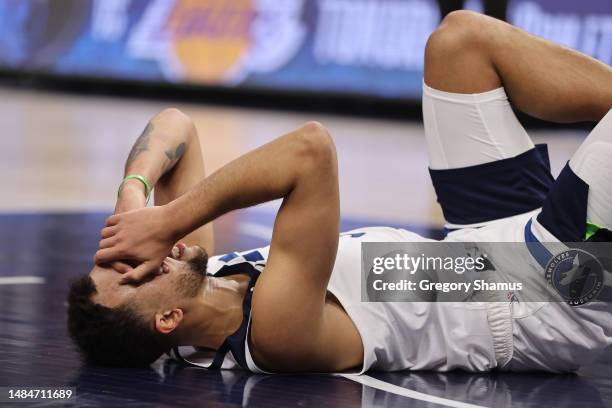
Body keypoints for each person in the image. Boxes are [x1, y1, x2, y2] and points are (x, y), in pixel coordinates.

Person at [68, 11, 612, 373]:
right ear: (167, 321)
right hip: (543, 300)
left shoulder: (205, 276)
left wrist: (134, 196)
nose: (139, 255)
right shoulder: (274, 333)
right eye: (129, 272)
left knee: (459, 42)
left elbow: (176, 123)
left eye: (117, 255)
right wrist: (167, 222)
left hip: (473, 252)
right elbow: (310, 151)